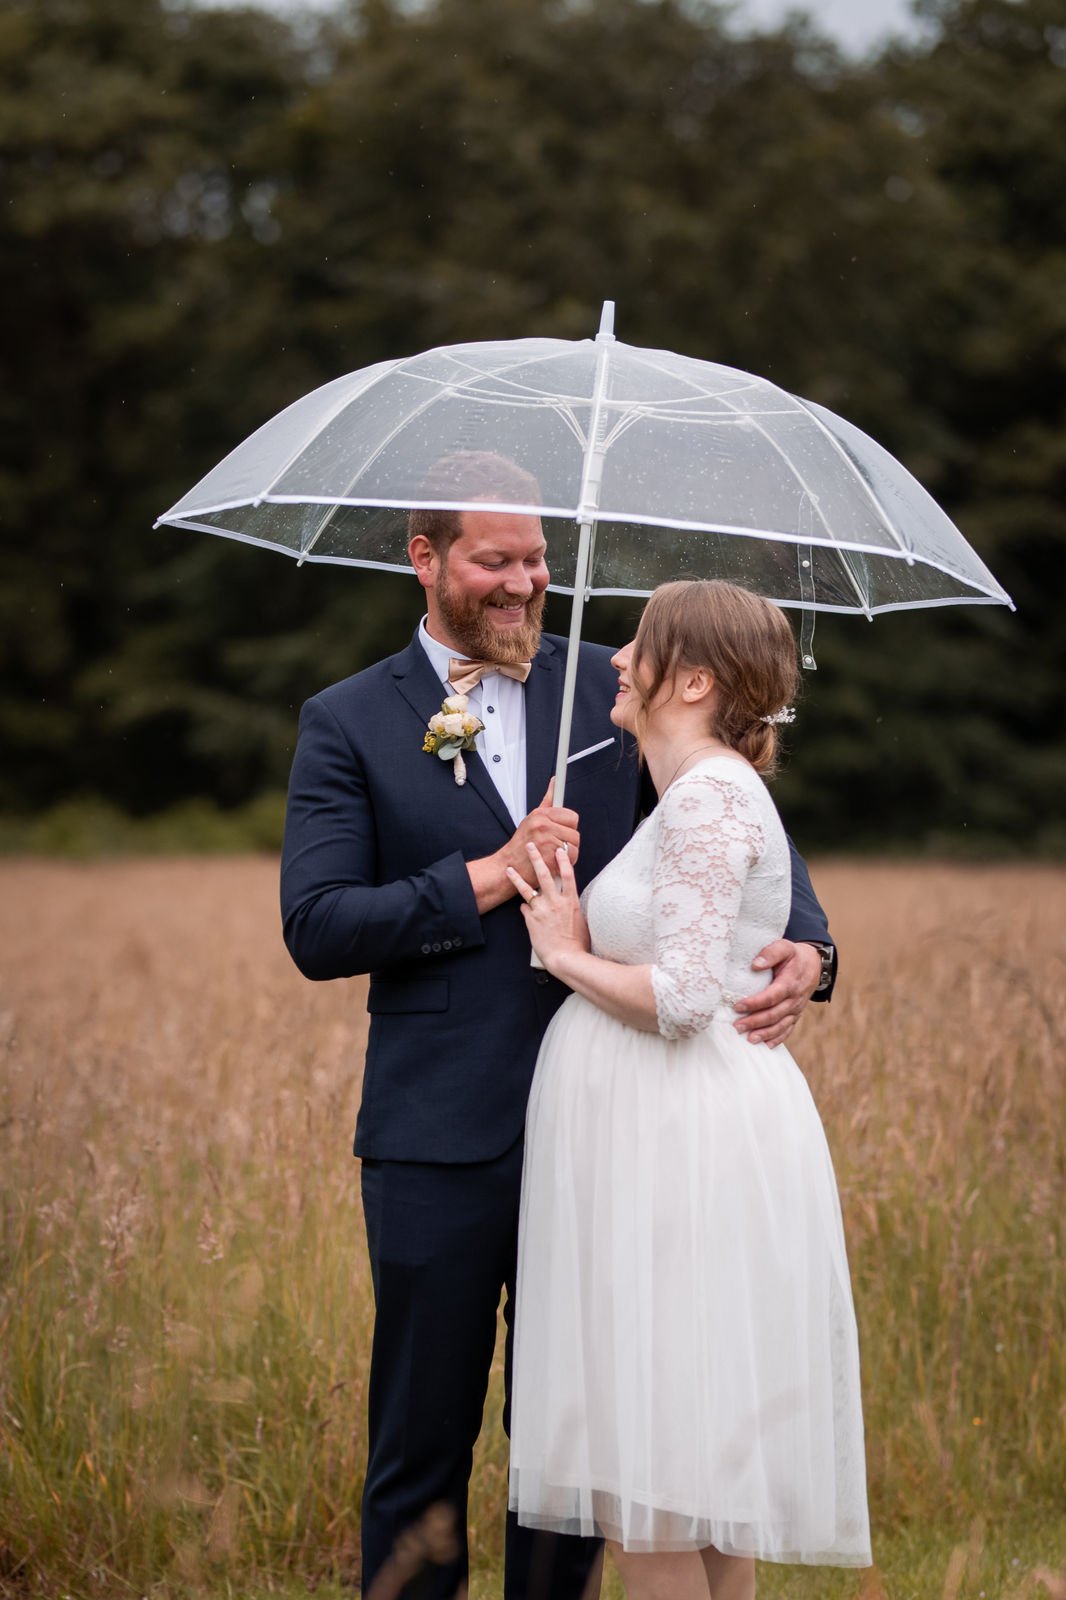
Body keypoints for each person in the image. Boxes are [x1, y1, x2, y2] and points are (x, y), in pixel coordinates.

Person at [280, 453, 837, 1600]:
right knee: (420, 1445)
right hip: (443, 1131)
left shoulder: (615, 685)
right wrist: (491, 874)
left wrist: (816, 949)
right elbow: (319, 923)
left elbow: (733, 831)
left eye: (536, 558)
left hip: (623, 1129)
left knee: (586, 1447)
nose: (524, 582)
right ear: (424, 559)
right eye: (494, 560)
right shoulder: (346, 721)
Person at [506, 579, 872, 1600]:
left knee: (655, 1486)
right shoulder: (695, 791)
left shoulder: (707, 796)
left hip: (677, 1139)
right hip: (667, 1128)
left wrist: (563, 951)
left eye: (640, 645)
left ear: (696, 678)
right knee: (687, 1469)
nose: (616, 660)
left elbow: (677, 999)